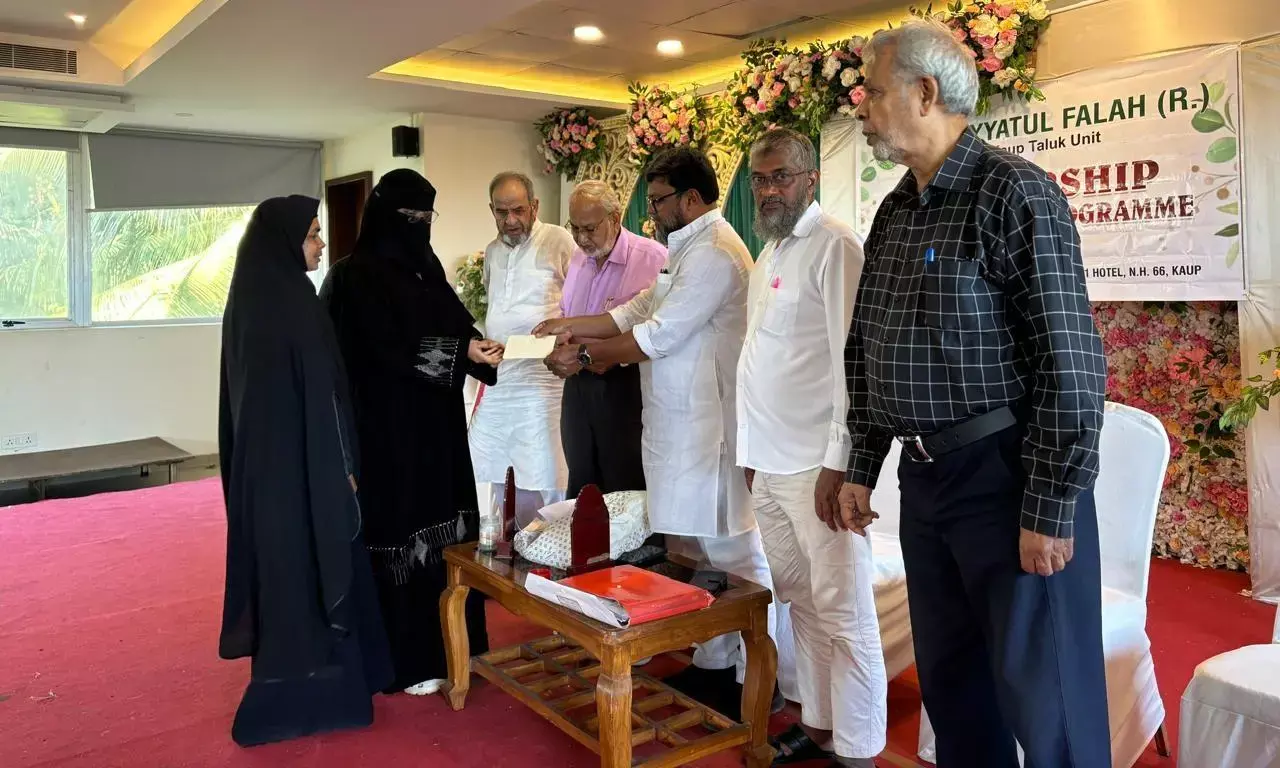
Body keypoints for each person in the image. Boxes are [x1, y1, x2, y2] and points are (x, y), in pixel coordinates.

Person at [843, 19, 1110, 768]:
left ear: (925, 92)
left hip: (1007, 477)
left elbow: (1069, 362)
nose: (863, 111)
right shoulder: (896, 209)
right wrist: (863, 462)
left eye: (873, 93)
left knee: (1050, 706)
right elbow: (868, 348)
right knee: (956, 694)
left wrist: (1049, 506)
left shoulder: (1014, 192)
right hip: (925, 482)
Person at [536, 148, 790, 718]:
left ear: (691, 198)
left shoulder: (716, 252)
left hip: (708, 427)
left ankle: (760, 679)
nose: (648, 212)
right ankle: (714, 662)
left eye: (657, 201)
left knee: (735, 557)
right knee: (697, 552)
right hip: (676, 425)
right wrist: (567, 325)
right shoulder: (686, 247)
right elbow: (633, 311)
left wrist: (585, 356)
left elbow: (658, 334)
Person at [218, 195, 393, 746]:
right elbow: (327, 399)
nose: (321, 243)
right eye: (313, 233)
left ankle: (284, 694)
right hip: (309, 471)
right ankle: (329, 697)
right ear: (285, 241)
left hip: (266, 476)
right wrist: (343, 468)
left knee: (284, 577)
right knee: (320, 567)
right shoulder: (295, 303)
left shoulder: (249, 299)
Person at [319, 170, 503, 695]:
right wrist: (459, 353)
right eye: (411, 217)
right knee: (403, 535)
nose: (421, 226)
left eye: (428, 216)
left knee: (446, 533)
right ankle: (409, 660)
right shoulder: (354, 278)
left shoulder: (427, 267)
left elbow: (451, 322)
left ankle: (455, 647)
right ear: (385, 217)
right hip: (389, 432)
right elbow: (379, 353)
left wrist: (476, 347)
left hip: (438, 430)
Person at [737, 128, 887, 767]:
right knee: (798, 598)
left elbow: (855, 363)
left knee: (844, 608)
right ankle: (821, 724)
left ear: (809, 180)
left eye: (781, 177)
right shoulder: (769, 251)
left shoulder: (835, 245)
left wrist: (839, 461)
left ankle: (860, 747)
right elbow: (760, 357)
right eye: (760, 179)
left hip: (816, 464)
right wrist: (749, 452)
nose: (769, 190)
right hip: (769, 462)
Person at [468, 171, 576, 524]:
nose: (510, 220)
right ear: (491, 210)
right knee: (497, 466)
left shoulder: (558, 240)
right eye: (501, 212)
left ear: (534, 206)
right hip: (502, 378)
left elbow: (578, 302)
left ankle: (547, 542)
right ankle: (509, 542)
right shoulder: (492, 251)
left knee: (543, 468)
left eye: (518, 210)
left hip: (543, 380)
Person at [559, 180, 666, 499]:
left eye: (589, 229)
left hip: (625, 387)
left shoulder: (652, 257)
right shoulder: (579, 258)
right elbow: (566, 312)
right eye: (574, 228)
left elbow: (657, 330)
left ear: (615, 218)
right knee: (581, 484)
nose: (581, 238)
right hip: (578, 385)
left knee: (626, 488)